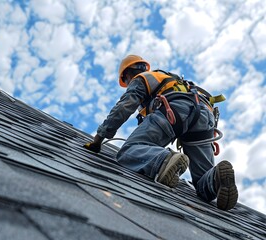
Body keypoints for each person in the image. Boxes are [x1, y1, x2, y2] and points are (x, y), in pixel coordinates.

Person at [84, 55, 238, 211]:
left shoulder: (142, 78)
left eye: (126, 80)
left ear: (128, 74)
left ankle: (164, 160)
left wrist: (98, 139)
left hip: (174, 109)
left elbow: (124, 106)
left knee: (130, 150)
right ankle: (216, 178)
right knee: (202, 183)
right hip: (204, 116)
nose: (128, 83)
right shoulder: (171, 80)